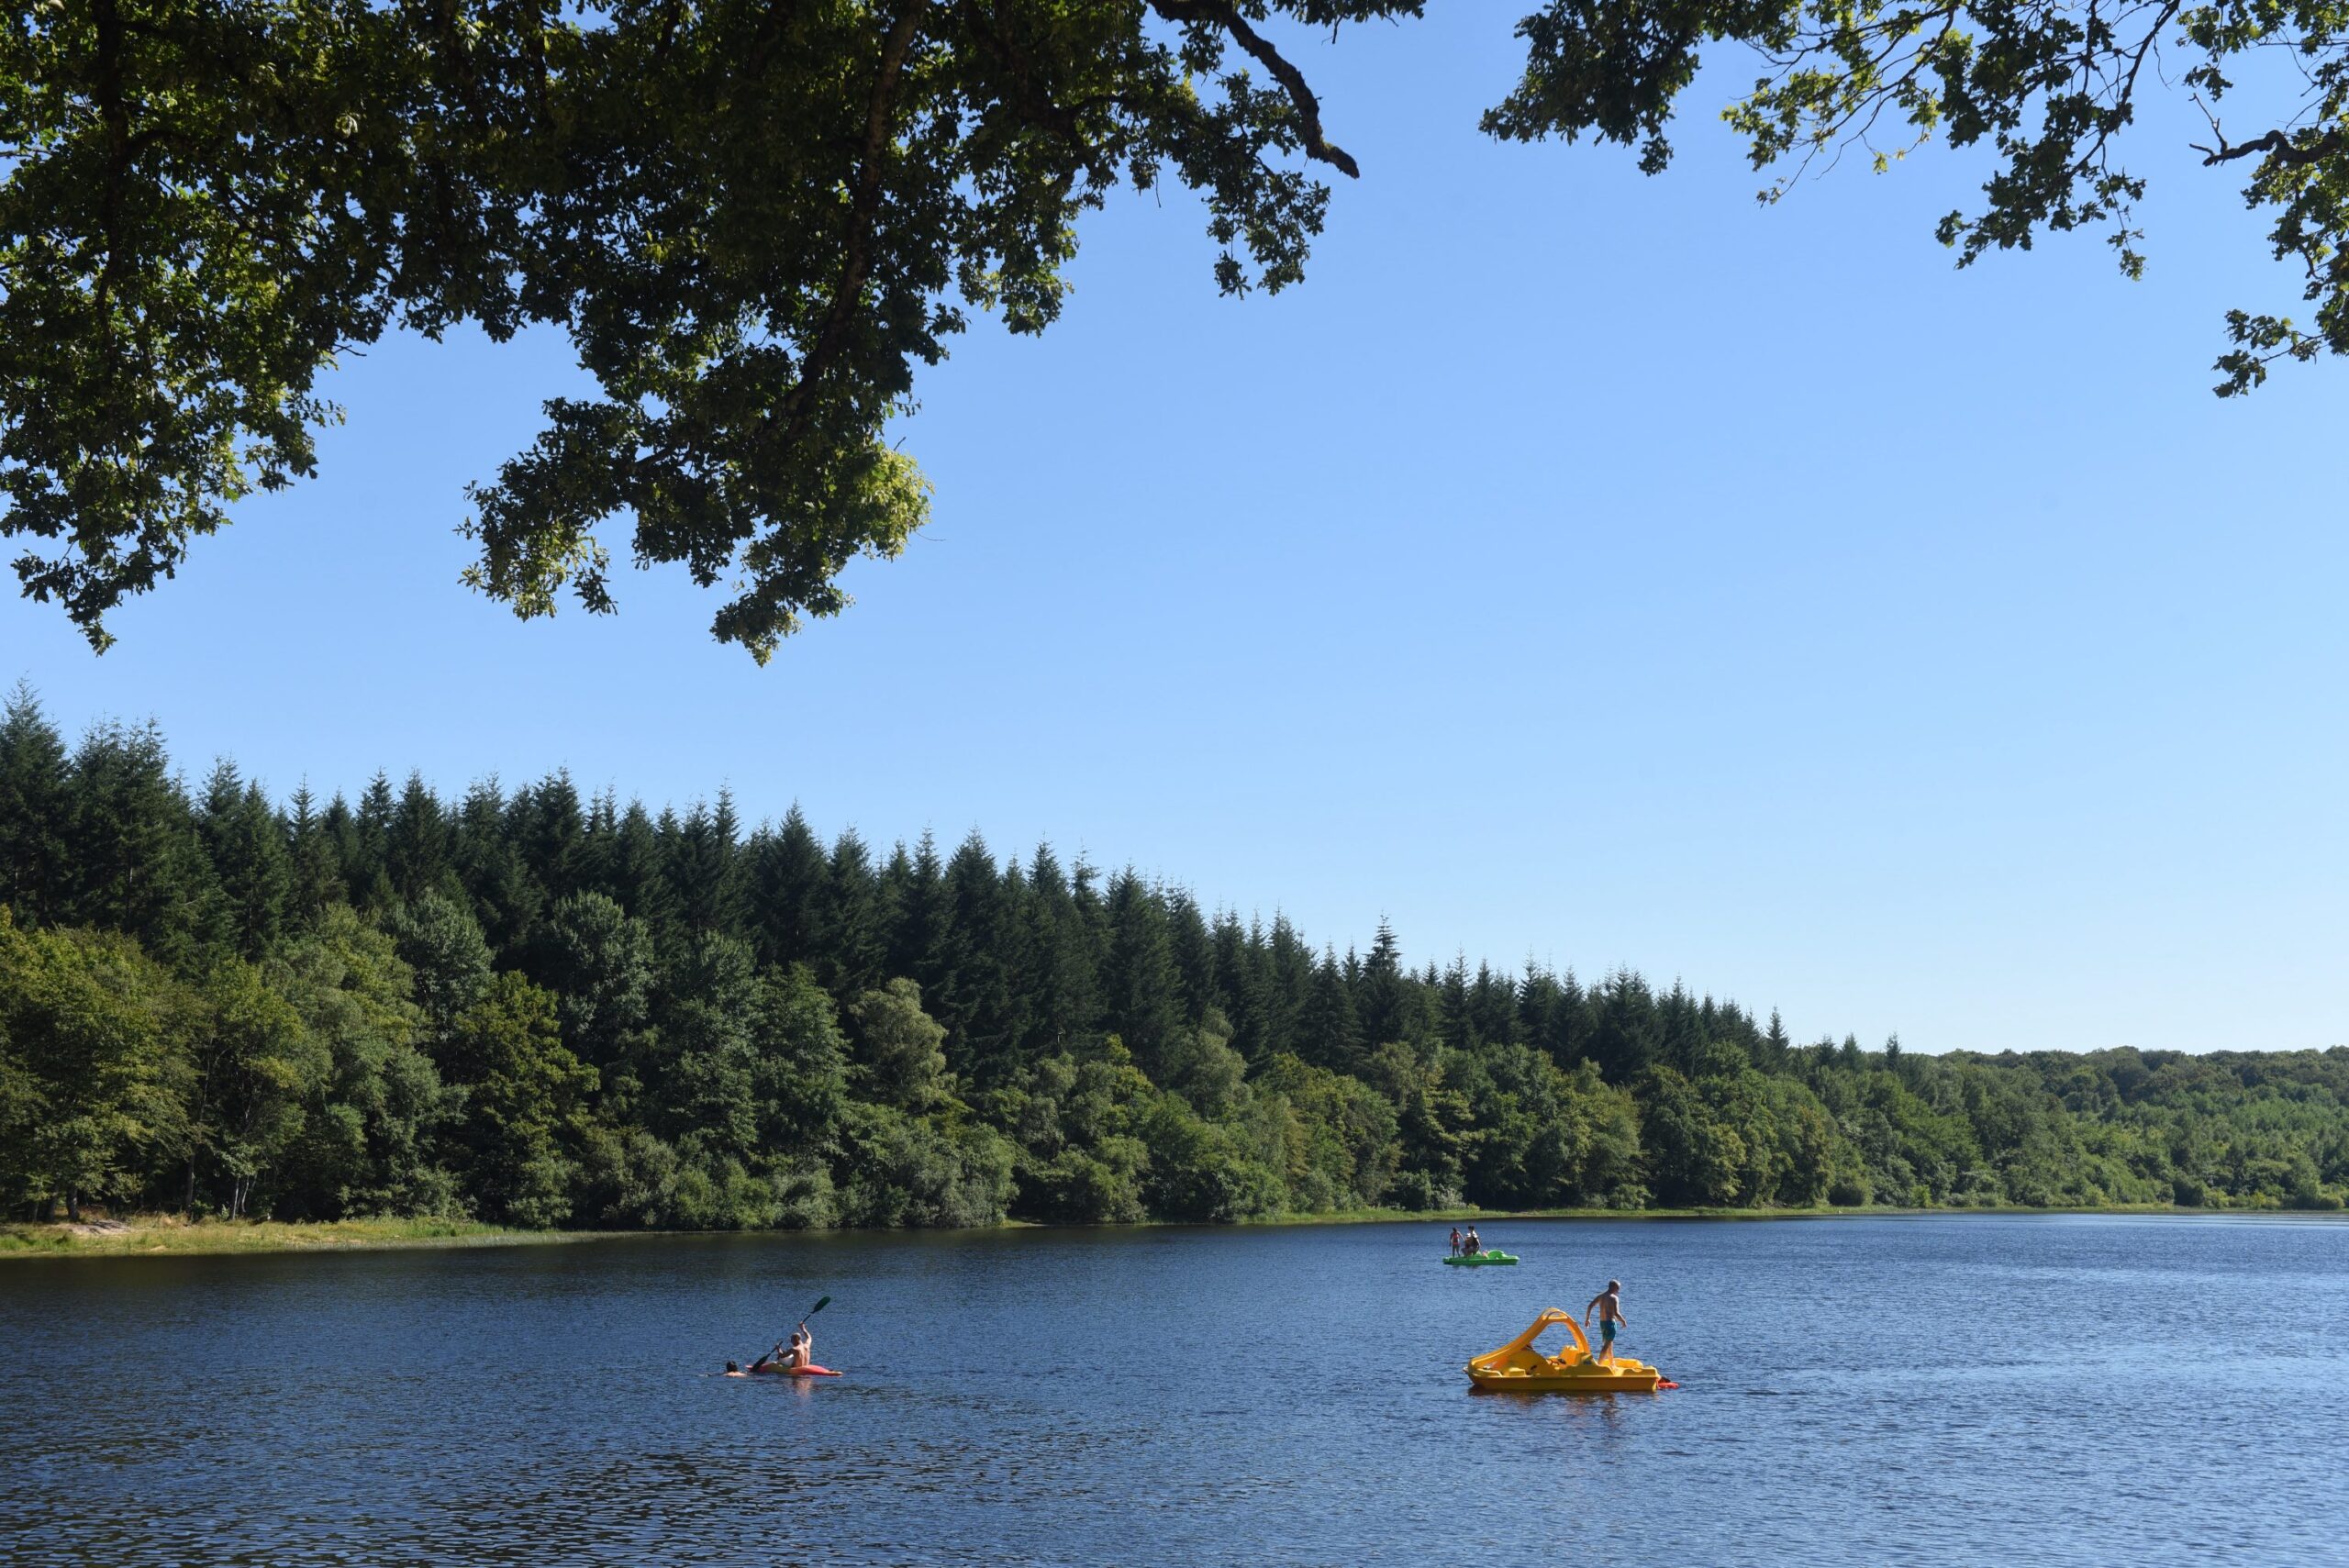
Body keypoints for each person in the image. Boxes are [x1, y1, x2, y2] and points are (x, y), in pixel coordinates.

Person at [1584, 1279, 1628, 1362]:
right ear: (1613, 1287)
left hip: (1602, 1323)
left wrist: (1588, 1319)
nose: (1618, 1291)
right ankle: (1599, 1365)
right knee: (1606, 1346)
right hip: (1610, 1323)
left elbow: (1590, 1306)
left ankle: (1611, 1363)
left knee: (1610, 1345)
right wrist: (1623, 1321)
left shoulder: (1601, 1296)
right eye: (1618, 1288)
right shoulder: (1614, 1298)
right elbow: (1616, 1313)